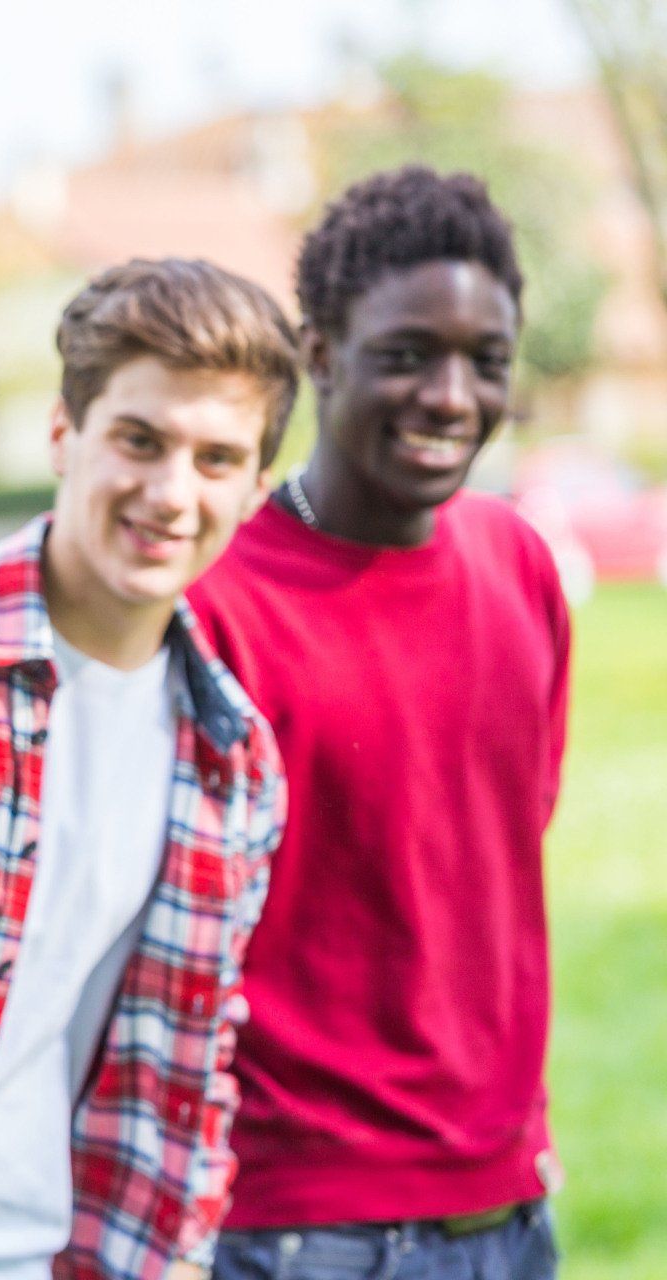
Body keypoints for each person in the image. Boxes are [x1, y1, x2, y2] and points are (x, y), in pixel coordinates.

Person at [0, 259, 294, 1280]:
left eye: (216, 458)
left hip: (50, 1251)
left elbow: (190, 1061)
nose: (170, 493)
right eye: (140, 441)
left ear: (255, 486)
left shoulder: (231, 755)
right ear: (66, 434)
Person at [190, 167, 567, 1280]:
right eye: (407, 354)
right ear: (319, 354)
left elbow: (500, 847)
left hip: (507, 1208)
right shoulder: (216, 603)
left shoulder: (522, 564)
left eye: (485, 361)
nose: (451, 395)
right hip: (289, 1226)